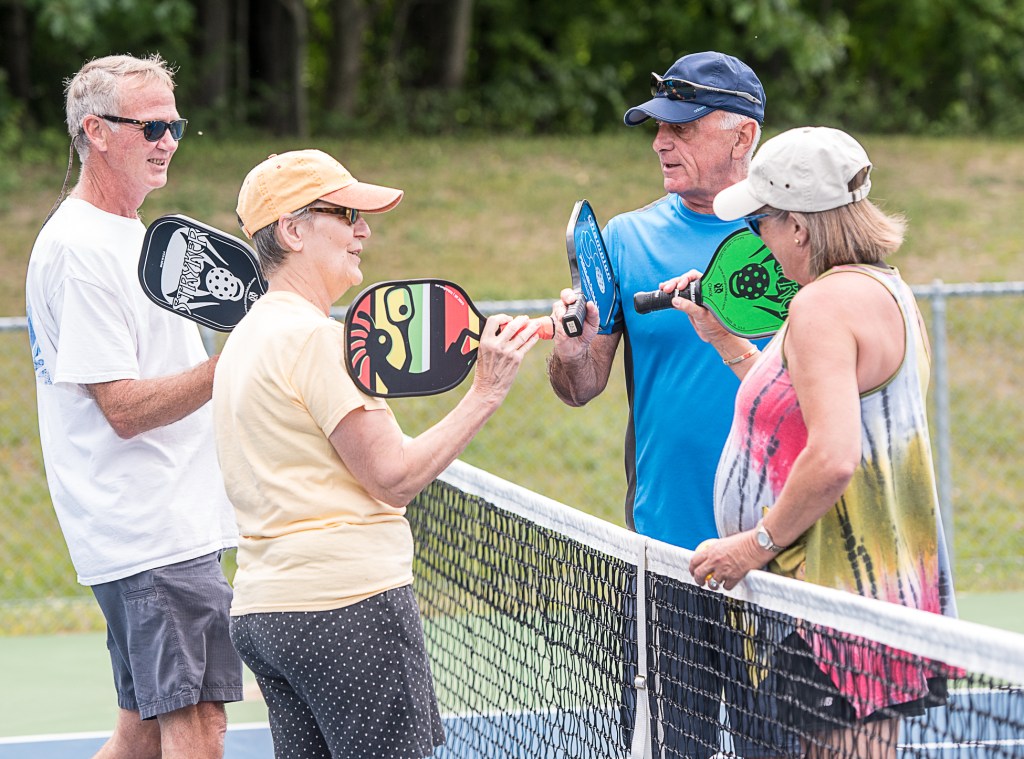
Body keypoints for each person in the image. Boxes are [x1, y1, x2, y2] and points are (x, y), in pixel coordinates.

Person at [214, 148, 545, 759]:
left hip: (267, 612)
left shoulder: (245, 339)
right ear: (292, 231)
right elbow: (393, 478)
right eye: (346, 215)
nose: (363, 230)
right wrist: (486, 392)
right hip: (346, 607)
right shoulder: (316, 340)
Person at [676, 126, 956, 757]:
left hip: (833, 605)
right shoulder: (880, 288)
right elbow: (799, 408)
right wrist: (725, 342)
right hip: (869, 593)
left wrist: (754, 545)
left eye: (761, 224)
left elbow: (832, 457)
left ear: (799, 227)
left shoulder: (823, 306)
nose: (758, 241)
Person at [547, 51, 777, 757]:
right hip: (663, 554)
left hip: (778, 552)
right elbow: (582, 384)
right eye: (657, 127)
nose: (660, 143)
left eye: (682, 127)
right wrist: (570, 347)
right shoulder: (624, 238)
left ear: (742, 136)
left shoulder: (795, 237)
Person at [25, 54, 242, 759]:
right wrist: (234, 363)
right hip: (151, 531)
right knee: (199, 725)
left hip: (159, 525)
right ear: (96, 131)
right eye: (150, 126)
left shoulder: (133, 234)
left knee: (141, 736)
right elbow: (121, 407)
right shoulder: (81, 249)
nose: (168, 141)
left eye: (175, 124)